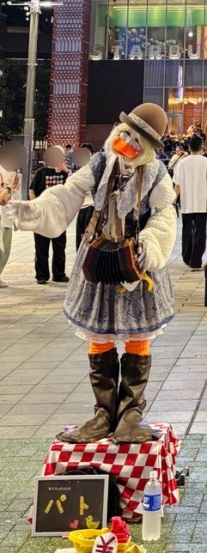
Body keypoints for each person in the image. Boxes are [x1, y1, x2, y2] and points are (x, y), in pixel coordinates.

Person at [8, 103, 176, 444]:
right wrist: (33, 209)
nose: (127, 141)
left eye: (136, 138)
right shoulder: (99, 164)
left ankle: (130, 414)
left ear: (147, 147)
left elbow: (164, 214)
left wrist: (149, 245)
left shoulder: (157, 173)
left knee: (137, 337)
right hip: (97, 260)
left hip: (136, 263)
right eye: (126, 132)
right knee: (99, 337)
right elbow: (67, 194)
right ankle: (103, 413)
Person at [29, 146, 71, 285]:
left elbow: (75, 186)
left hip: (59, 216)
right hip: (42, 215)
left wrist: (66, 171)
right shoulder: (41, 172)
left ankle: (59, 274)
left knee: (59, 246)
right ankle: (42, 275)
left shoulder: (66, 174)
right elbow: (31, 190)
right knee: (41, 246)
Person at [173, 134, 207, 269]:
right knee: (200, 231)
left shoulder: (182, 163)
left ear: (188, 147)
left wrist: (173, 200)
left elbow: (177, 184)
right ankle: (196, 261)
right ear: (201, 148)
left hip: (186, 201)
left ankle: (186, 256)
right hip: (203, 201)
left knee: (187, 230)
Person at [0, 156, 21, 288]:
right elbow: (2, 200)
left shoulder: (15, 173)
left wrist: (16, 217)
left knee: (5, 250)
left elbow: (16, 196)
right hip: (1, 217)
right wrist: (8, 187)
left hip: (8, 217)